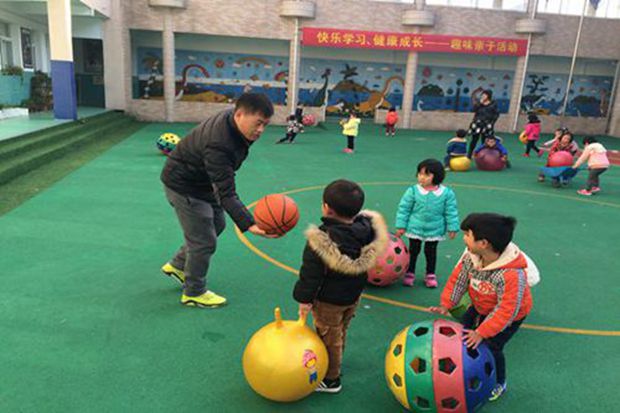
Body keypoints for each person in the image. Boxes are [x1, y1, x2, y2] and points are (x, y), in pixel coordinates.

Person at [160, 93, 276, 308]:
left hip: (203, 181)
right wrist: (249, 224)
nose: (261, 130)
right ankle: (194, 292)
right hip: (184, 185)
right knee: (204, 240)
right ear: (239, 115)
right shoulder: (220, 144)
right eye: (258, 123)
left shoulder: (234, 123)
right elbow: (226, 193)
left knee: (217, 224)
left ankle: (178, 265)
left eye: (265, 125)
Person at [293, 180, 388, 393]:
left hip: (329, 300)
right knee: (340, 330)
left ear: (327, 208)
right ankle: (336, 361)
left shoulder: (322, 240)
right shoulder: (366, 230)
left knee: (329, 337)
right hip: (352, 295)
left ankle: (331, 379)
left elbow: (311, 274)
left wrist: (304, 299)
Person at [430, 213, 533, 402]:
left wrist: (481, 333)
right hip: (481, 303)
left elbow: (506, 310)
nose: (464, 238)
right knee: (462, 333)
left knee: (491, 347)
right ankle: (460, 368)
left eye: (467, 235)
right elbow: (459, 280)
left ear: (484, 243)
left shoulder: (511, 275)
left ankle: (499, 382)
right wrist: (447, 304)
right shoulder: (471, 257)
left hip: (510, 315)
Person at [395, 159, 460, 288]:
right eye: (420, 174)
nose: (422, 177)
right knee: (413, 251)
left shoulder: (446, 194)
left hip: (435, 229)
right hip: (415, 227)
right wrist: (401, 226)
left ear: (437, 176)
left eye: (426, 174)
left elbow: (451, 211)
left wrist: (452, 227)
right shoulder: (413, 191)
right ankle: (410, 272)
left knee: (431, 252)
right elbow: (404, 209)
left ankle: (430, 274)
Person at [467, 89, 499, 159]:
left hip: (487, 124)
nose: (483, 96)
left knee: (485, 140)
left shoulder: (493, 104)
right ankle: (469, 154)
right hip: (477, 123)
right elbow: (473, 110)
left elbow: (496, 114)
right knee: (474, 139)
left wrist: (492, 122)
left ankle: (483, 155)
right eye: (482, 95)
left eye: (485, 95)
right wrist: (479, 103)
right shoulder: (479, 103)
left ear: (488, 96)